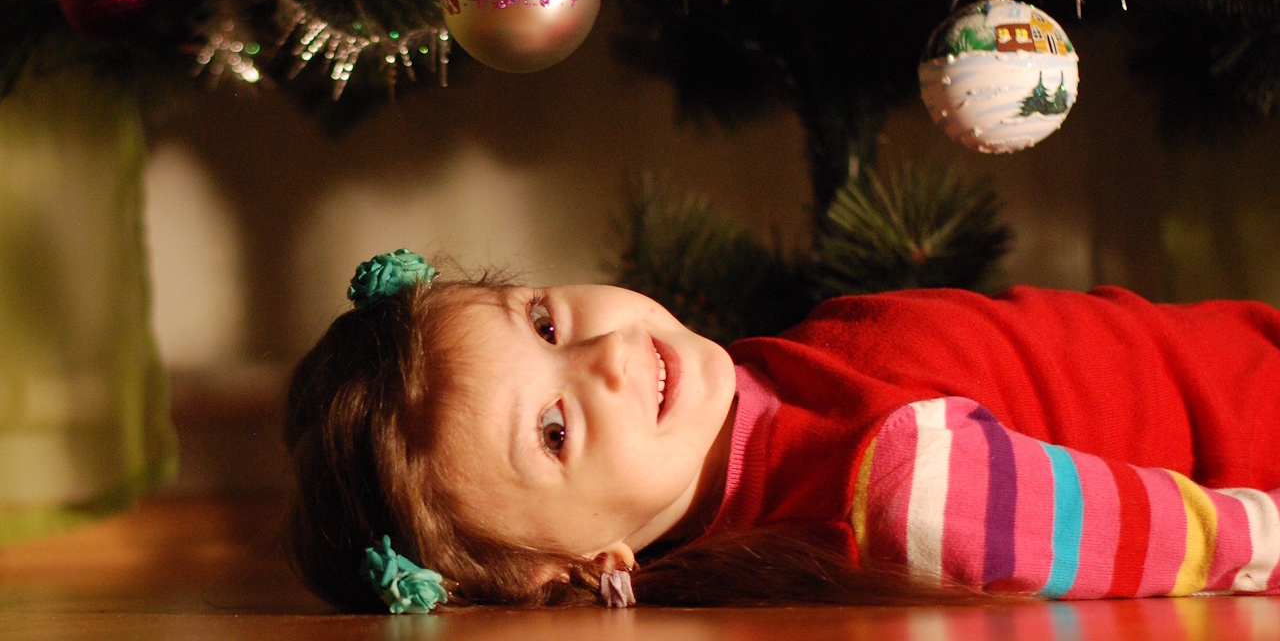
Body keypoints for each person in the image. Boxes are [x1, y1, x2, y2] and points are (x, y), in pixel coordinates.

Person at [284, 249, 1280, 613]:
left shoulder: (768, 390)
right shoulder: (900, 484)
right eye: (551, 429)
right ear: (580, 560)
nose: (605, 356)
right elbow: (1197, 536)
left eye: (543, 320)